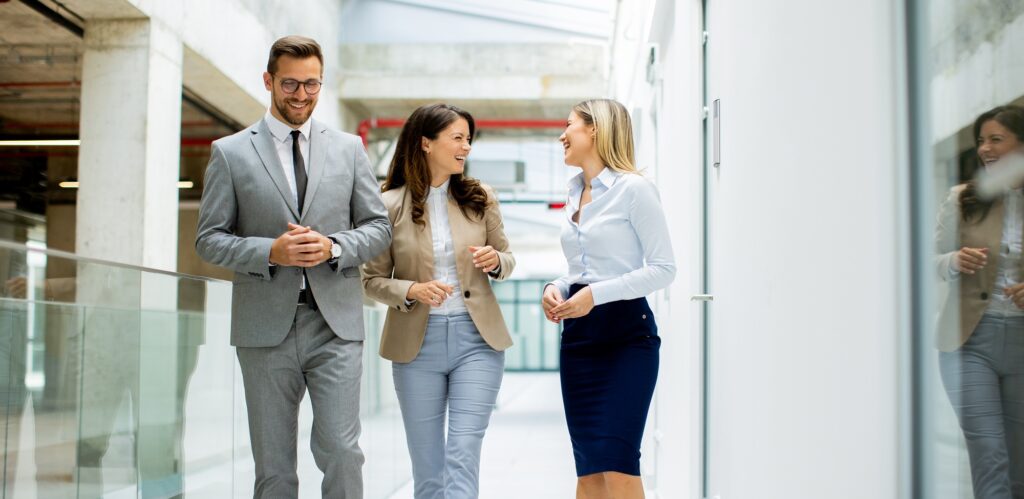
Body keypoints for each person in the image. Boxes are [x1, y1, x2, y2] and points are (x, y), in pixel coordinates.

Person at [195, 35, 391, 499]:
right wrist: (269, 252)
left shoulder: (349, 148)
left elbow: (379, 228)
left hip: (336, 324)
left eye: (311, 84)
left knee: (344, 452)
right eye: (289, 84)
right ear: (268, 80)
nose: (301, 95)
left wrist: (334, 246)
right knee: (274, 466)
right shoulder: (231, 152)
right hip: (265, 329)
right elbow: (208, 239)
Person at [362, 103, 514, 499]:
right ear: (426, 143)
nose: (466, 146)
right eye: (457, 138)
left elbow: (508, 258)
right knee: (428, 466)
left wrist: (496, 261)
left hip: (477, 341)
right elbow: (369, 279)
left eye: (468, 139)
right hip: (416, 346)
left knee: (463, 452)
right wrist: (410, 290)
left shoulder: (481, 197)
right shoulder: (387, 203)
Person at [541, 98, 675, 499]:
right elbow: (582, 271)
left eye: (570, 126)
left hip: (626, 339)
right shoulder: (573, 192)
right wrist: (559, 288)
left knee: (618, 466)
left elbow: (664, 268)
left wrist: (596, 296)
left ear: (595, 129)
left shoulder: (634, 190)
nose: (562, 135)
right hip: (579, 341)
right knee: (589, 472)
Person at [935, 104, 1024, 499]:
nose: (985, 148)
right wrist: (952, 261)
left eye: (996, 139)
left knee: (1019, 460)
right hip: (970, 341)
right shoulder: (963, 199)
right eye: (981, 141)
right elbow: (925, 260)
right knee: (989, 450)